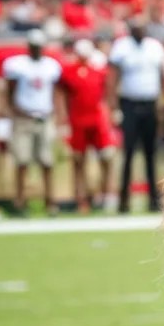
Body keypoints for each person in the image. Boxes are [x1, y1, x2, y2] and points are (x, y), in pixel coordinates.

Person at [2, 30, 64, 215]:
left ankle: (50, 201)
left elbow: (54, 91)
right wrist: (15, 111)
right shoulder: (17, 65)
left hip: (44, 117)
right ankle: (20, 201)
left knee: (47, 161)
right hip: (24, 118)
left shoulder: (51, 66)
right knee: (22, 161)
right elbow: (9, 92)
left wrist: (56, 111)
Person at [108, 18, 164, 214]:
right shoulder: (121, 47)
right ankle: (124, 200)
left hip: (150, 103)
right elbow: (113, 78)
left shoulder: (154, 47)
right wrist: (114, 107)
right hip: (129, 104)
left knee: (151, 153)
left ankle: (153, 200)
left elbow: (162, 75)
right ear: (130, 30)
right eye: (135, 29)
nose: (139, 32)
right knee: (129, 152)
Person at [60, 39, 117, 212]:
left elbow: (107, 92)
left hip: (97, 120)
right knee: (78, 160)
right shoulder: (69, 71)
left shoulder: (98, 70)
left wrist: (111, 113)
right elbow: (62, 96)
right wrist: (63, 120)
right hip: (78, 120)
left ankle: (106, 194)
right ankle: (81, 198)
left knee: (106, 157)